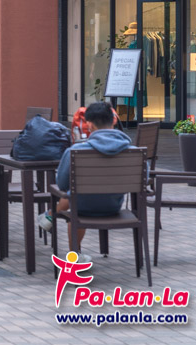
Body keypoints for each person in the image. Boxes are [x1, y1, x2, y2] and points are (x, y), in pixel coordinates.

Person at [38, 101, 133, 263]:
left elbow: (62, 184)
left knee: (75, 196)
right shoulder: (133, 151)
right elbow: (143, 180)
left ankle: (74, 253)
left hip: (82, 209)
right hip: (113, 207)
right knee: (78, 195)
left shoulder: (75, 151)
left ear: (89, 125)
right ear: (113, 121)